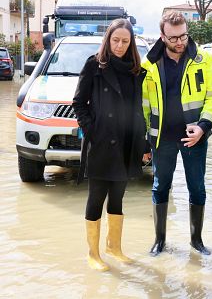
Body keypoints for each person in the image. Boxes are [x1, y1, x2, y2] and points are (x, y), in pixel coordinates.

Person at [142, 11, 212, 256]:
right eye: (173, 37)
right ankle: (160, 241)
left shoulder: (204, 59)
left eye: (183, 36)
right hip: (162, 138)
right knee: (160, 187)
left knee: (197, 188)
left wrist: (203, 127)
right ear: (162, 36)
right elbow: (142, 105)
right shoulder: (148, 64)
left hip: (194, 137)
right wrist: (145, 142)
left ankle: (196, 241)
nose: (179, 42)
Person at [72, 19, 146, 271]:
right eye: (116, 40)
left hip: (126, 143)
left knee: (118, 198)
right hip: (102, 142)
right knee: (96, 197)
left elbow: (138, 109)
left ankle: (114, 247)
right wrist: (92, 130)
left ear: (131, 42)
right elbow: (79, 102)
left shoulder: (136, 69)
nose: (120, 45)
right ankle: (93, 253)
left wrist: (143, 143)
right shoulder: (94, 65)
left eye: (125, 41)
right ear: (108, 39)